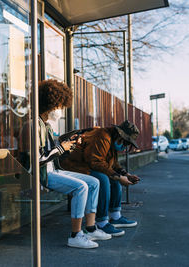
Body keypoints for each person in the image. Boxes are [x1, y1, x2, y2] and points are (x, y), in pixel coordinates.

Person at [37, 79, 111, 248]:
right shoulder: (35, 125)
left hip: (53, 170)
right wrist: (62, 148)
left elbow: (52, 150)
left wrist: (67, 145)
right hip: (44, 174)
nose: (60, 110)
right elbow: (39, 159)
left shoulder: (46, 126)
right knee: (81, 187)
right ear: (50, 104)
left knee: (94, 182)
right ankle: (75, 235)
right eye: (59, 106)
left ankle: (90, 229)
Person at [60, 120, 141, 237]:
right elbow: (96, 162)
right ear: (120, 136)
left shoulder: (111, 138)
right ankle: (102, 222)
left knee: (114, 178)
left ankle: (115, 216)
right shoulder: (102, 136)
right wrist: (118, 177)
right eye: (126, 143)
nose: (125, 146)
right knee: (103, 179)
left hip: (85, 164)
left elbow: (113, 163)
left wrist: (125, 174)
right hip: (73, 165)